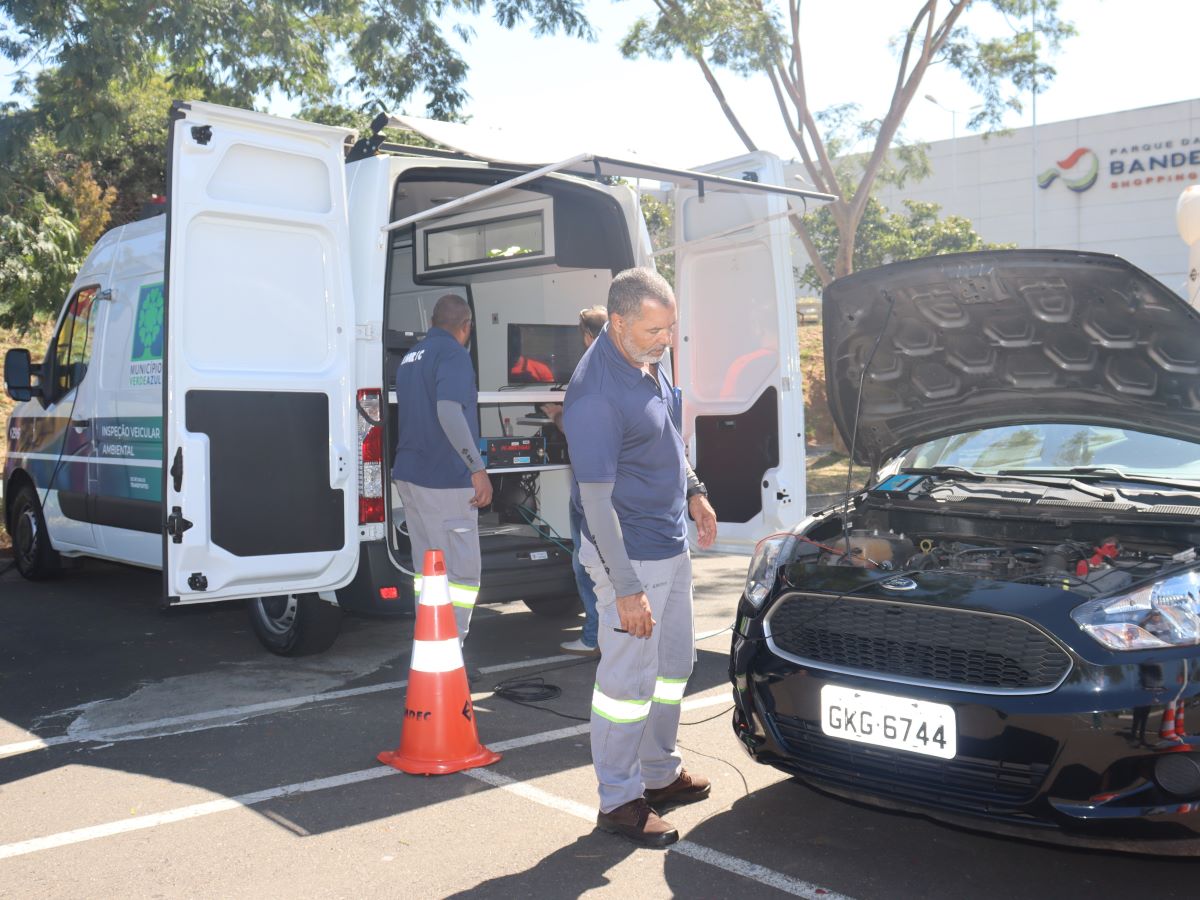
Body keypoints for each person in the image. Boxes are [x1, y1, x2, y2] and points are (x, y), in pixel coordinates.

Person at [562, 268, 718, 848]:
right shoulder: (595, 393)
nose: (666, 340)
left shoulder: (646, 360)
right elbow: (596, 504)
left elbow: (670, 437)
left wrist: (695, 491)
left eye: (671, 328)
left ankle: (659, 771)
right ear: (620, 322)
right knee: (626, 685)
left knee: (673, 667)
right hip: (629, 556)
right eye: (655, 330)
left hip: (670, 542)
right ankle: (619, 799)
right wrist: (626, 587)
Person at [392, 294, 492, 646]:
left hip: (411, 474)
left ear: (432, 322)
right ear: (466, 328)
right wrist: (476, 468)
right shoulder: (453, 355)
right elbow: (449, 413)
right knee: (462, 573)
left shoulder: (410, 357)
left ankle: (431, 644)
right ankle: (453, 651)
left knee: (429, 569)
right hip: (445, 480)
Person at [540, 306, 608, 656]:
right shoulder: (624, 367)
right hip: (613, 485)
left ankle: (595, 636)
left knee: (586, 563)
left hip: (588, 487)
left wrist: (557, 417)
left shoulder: (588, 373)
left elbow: (581, 432)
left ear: (585, 335)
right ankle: (607, 634)